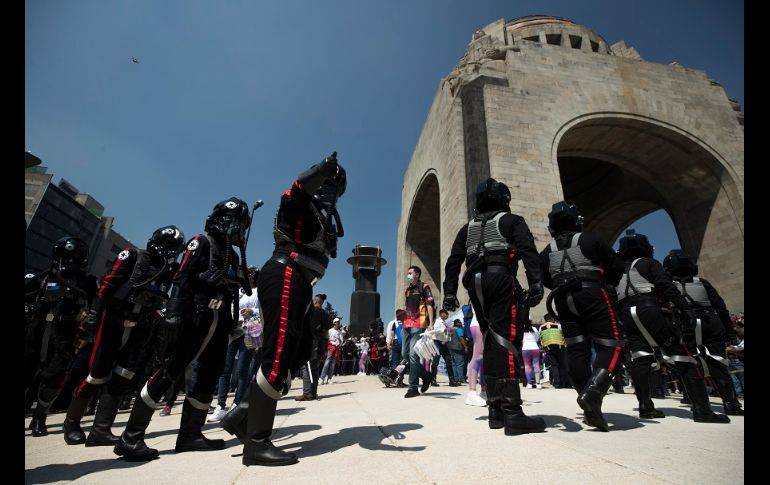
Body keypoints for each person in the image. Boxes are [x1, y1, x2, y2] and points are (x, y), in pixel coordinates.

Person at [221, 152, 346, 467]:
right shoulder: (301, 202)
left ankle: (243, 415)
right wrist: (318, 172)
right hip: (286, 273)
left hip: (303, 282)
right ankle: (257, 442)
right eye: (328, 186)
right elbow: (293, 192)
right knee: (277, 354)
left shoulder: (322, 214)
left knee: (298, 352)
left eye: (336, 188)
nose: (332, 193)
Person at [114, 197, 254, 461]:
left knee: (210, 375)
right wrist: (174, 315)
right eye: (231, 220)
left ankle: (190, 435)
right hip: (196, 315)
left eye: (240, 223)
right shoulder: (201, 242)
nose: (235, 227)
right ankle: (130, 437)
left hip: (220, 318)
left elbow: (237, 284)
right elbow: (182, 277)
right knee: (171, 370)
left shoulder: (232, 253)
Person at [63, 226, 185, 446]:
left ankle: (100, 430)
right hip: (113, 322)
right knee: (98, 374)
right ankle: (71, 422)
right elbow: (107, 286)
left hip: (141, 325)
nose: (170, 252)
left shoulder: (170, 270)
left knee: (123, 376)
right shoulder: (133, 256)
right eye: (168, 246)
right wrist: (93, 315)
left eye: (175, 249)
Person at [442, 178, 546, 436]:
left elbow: (453, 261)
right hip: (500, 279)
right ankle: (513, 414)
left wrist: (449, 294)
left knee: (490, 342)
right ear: (504, 200)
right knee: (507, 340)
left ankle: (495, 410)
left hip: (474, 283)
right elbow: (528, 251)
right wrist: (535, 283)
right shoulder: (513, 221)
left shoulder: (467, 228)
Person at [616, 230, 729, 423]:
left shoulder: (617, 271)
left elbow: (612, 294)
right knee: (682, 355)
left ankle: (646, 407)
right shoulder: (649, 263)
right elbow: (665, 286)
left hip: (627, 314)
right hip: (650, 309)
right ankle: (702, 410)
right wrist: (684, 308)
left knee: (640, 358)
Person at [538, 201, 625, 431]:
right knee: (613, 345)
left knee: (576, 349)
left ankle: (589, 405)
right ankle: (594, 391)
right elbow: (616, 268)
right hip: (592, 292)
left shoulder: (547, 251)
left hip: (562, 299)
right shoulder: (590, 239)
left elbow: (543, 276)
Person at [25, 237, 98, 437]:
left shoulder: (87, 281)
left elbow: (97, 305)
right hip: (36, 329)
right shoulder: (44, 277)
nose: (68, 261)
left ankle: (40, 417)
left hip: (64, 333)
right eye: (65, 256)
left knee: (53, 377)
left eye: (73, 257)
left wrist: (89, 328)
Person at [663, 250, 743, 416]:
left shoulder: (667, 285)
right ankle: (731, 404)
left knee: (688, 363)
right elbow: (720, 307)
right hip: (709, 321)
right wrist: (729, 332)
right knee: (719, 364)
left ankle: (695, 401)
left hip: (685, 323)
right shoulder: (703, 283)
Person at [209, 266, 261, 422]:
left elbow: (263, 310)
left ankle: (237, 403)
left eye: (251, 274)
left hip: (251, 329)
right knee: (225, 368)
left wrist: (252, 312)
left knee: (242, 369)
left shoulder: (259, 291)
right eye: (246, 274)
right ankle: (220, 405)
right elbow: (230, 306)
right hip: (233, 329)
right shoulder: (237, 290)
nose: (248, 276)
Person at [402, 266, 435, 398]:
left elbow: (429, 305)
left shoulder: (424, 287)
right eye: (408, 273)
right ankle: (426, 376)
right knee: (405, 354)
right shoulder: (408, 290)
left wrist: (431, 323)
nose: (408, 275)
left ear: (417, 274)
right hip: (406, 325)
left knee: (413, 355)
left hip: (419, 323)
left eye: (410, 273)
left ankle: (413, 388)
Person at [295, 294, 329, 401]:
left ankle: (307, 393)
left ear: (314, 301)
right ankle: (313, 393)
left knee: (306, 368)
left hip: (311, 342)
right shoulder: (325, 313)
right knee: (314, 369)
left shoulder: (311, 312)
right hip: (321, 344)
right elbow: (326, 332)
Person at [320, 317, 344, 383]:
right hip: (330, 348)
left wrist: (338, 339)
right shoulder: (330, 330)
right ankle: (322, 378)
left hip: (336, 348)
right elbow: (326, 339)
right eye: (336, 322)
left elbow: (341, 343)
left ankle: (329, 378)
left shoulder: (340, 332)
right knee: (327, 363)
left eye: (338, 322)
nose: (338, 323)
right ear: (334, 323)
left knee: (333, 364)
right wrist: (331, 340)